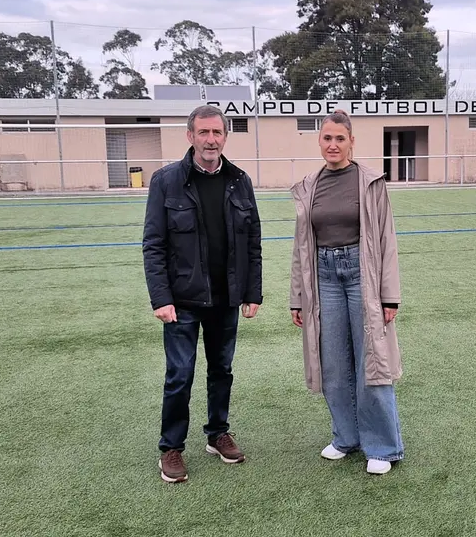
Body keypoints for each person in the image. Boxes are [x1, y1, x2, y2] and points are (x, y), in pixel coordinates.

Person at [142, 104, 263, 483]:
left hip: (226, 298)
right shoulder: (165, 181)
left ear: (225, 137)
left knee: (221, 370)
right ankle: (172, 448)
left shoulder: (239, 180)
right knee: (180, 374)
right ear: (190, 136)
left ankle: (217, 433)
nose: (211, 140)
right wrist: (161, 298)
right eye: (204, 132)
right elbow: (154, 244)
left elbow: (253, 241)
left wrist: (252, 292)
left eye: (217, 133)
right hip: (182, 301)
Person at [288, 108, 405, 475]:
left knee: (371, 361)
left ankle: (383, 447)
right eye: (327, 138)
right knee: (334, 363)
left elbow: (386, 239)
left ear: (352, 141)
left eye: (340, 138)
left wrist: (389, 295)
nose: (333, 144)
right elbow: (301, 247)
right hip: (323, 279)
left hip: (362, 276)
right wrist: (297, 297)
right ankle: (346, 437)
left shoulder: (371, 181)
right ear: (319, 141)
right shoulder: (310, 185)